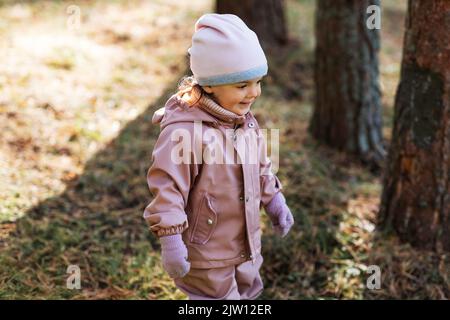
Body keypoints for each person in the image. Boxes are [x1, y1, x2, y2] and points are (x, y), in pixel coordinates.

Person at [143, 13, 294, 300]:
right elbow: (168, 187)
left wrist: (274, 200)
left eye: (258, 82)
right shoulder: (185, 132)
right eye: (241, 85)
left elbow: (260, 166)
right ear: (210, 84)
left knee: (249, 294)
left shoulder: (245, 120)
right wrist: (171, 238)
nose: (254, 93)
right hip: (206, 248)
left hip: (246, 242)